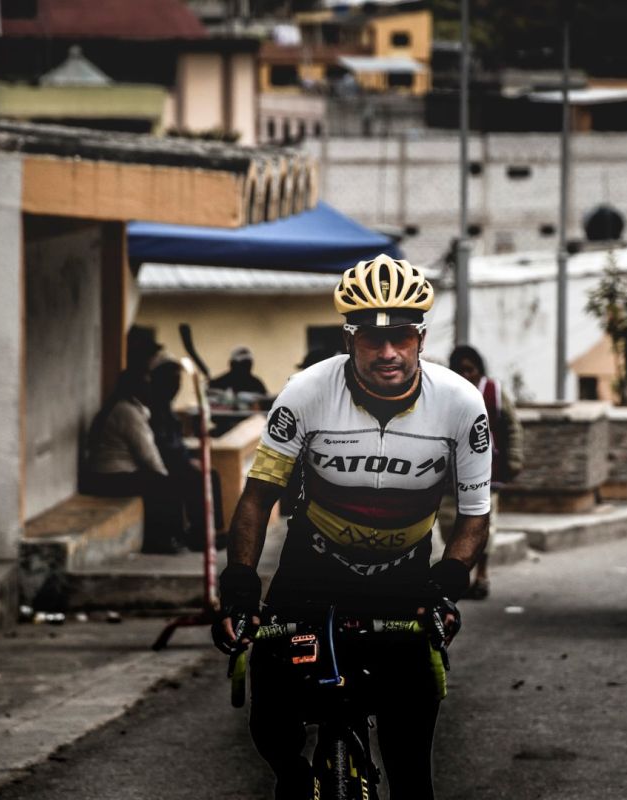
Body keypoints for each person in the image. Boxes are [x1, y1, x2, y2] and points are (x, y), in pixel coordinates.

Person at [213, 254, 492, 800]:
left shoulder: (461, 404)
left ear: (421, 339)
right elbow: (257, 497)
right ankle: (296, 778)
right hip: (312, 571)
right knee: (270, 719)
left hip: (403, 579)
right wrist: (240, 586)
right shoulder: (306, 392)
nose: (388, 352)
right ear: (349, 340)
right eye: (371, 338)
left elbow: (475, 513)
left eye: (401, 337)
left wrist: (448, 583)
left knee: (411, 767)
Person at [83, 327, 186, 555]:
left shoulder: (130, 408)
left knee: (162, 484)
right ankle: (161, 541)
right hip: (109, 477)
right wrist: (164, 476)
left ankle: (168, 538)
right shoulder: (126, 412)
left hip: (112, 473)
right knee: (164, 486)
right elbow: (147, 452)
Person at [441, 345, 524, 599]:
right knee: (449, 524)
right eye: (460, 370)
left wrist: (514, 460)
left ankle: (482, 575)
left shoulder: (494, 392)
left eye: (470, 369)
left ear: (480, 370)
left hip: (487, 472)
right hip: (450, 474)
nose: (466, 375)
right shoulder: (445, 392)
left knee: (483, 523)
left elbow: (512, 427)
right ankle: (460, 576)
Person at [147, 356, 214, 551]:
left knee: (210, 475)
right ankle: (198, 536)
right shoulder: (155, 408)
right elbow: (163, 445)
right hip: (164, 463)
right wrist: (186, 461)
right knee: (196, 478)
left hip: (176, 459)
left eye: (178, 381)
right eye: (173, 380)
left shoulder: (166, 406)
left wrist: (189, 458)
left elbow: (177, 441)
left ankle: (210, 532)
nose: (177, 386)